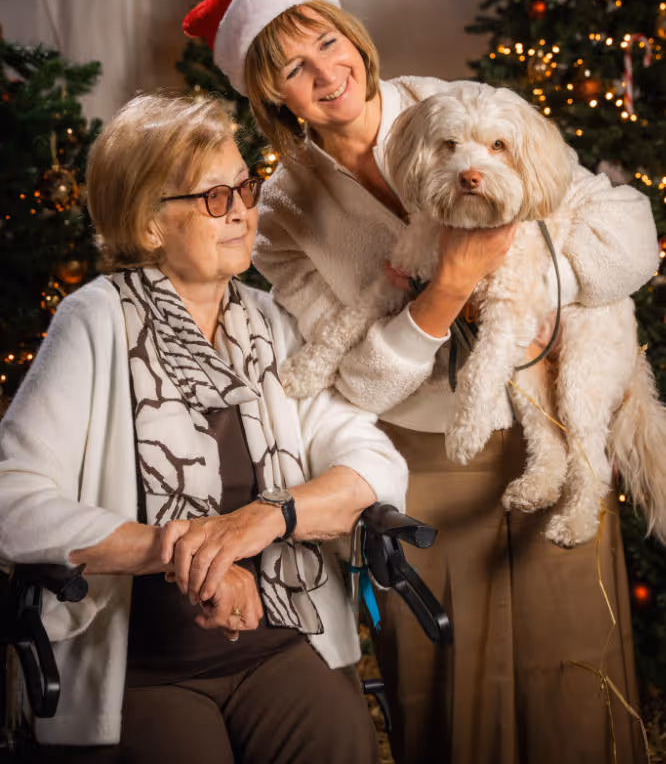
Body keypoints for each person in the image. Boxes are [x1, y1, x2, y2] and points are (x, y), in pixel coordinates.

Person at [182, 0, 658, 764]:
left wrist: (549, 292)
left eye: (328, 41)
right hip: (425, 460)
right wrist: (443, 292)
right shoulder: (284, 217)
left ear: (352, 35)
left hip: (544, 417)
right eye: (295, 67)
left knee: (573, 672)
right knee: (454, 688)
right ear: (274, 95)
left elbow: (625, 227)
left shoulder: (459, 105)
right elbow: (357, 386)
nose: (327, 73)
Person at [0, 90, 409, 764]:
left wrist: (264, 519)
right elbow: (13, 498)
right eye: (215, 198)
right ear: (149, 223)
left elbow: (373, 460)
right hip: (147, 666)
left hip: (278, 635)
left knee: (342, 743)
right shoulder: (96, 320)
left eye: (246, 187)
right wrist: (179, 549)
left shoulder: (268, 321)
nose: (244, 210)